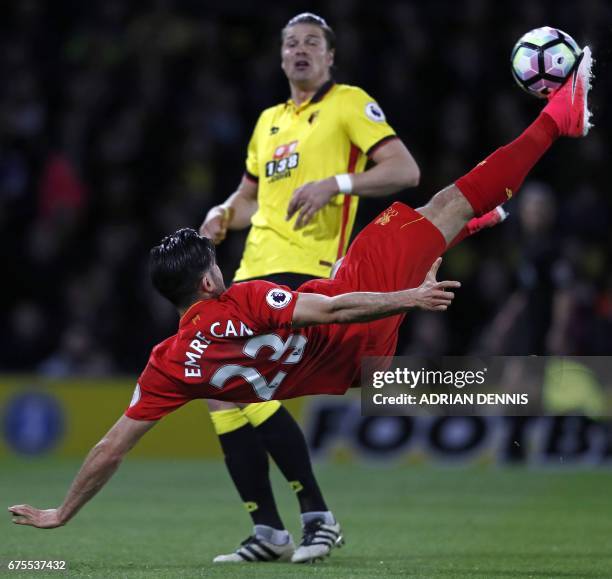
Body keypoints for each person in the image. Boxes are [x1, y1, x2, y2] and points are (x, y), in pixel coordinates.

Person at [9, 45, 593, 566]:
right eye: (212, 259)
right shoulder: (247, 298)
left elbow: (112, 446)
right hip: (353, 313)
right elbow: (335, 311)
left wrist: (63, 512)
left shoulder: (169, 362)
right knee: (449, 202)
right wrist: (408, 297)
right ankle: (555, 121)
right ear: (209, 282)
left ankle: (277, 526)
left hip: (346, 369)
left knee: (411, 288)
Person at [198, 12, 422, 563]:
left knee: (248, 386)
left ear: (330, 57)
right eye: (291, 43)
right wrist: (224, 212)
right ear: (280, 58)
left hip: (308, 269)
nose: (301, 50)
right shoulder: (269, 120)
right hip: (250, 272)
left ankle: (316, 520)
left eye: (312, 43)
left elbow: (405, 171)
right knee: (222, 392)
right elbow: (251, 198)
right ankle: (271, 531)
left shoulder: (348, 103)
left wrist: (337, 183)